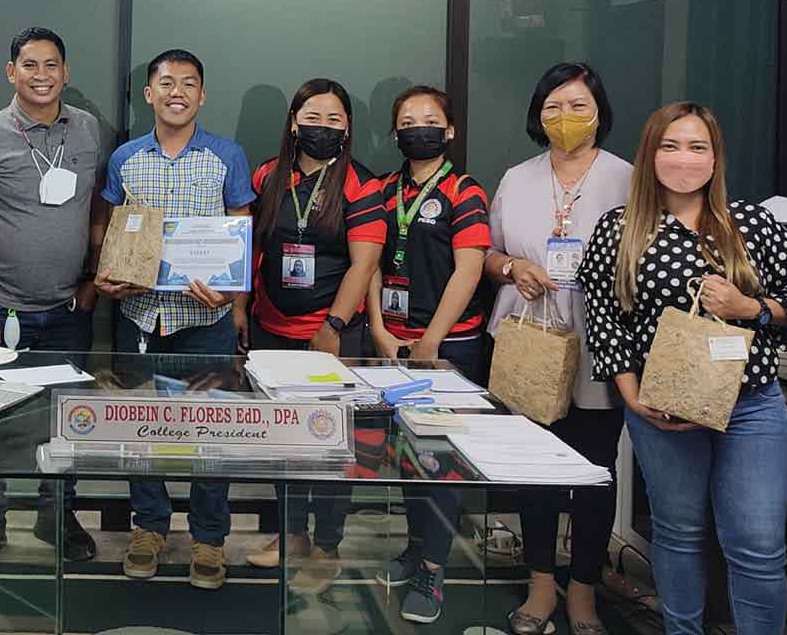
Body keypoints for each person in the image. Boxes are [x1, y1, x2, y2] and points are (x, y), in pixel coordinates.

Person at [578, 102, 787, 635]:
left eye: (698, 147)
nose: (684, 158)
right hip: (664, 410)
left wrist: (750, 308)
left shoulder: (752, 223)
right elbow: (604, 320)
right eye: (670, 146)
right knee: (678, 534)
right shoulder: (620, 229)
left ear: (715, 158)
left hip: (751, 405)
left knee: (758, 543)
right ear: (650, 155)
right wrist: (633, 399)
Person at [95, 49, 256, 592]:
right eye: (166, 82)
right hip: (140, 316)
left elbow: (241, 230)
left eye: (188, 83)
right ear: (149, 94)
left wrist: (232, 295)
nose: (177, 92)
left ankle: (209, 537)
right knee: (140, 428)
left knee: (212, 433)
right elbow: (113, 232)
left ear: (202, 96)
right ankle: (149, 528)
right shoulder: (125, 159)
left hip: (205, 319)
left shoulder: (226, 155)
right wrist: (108, 276)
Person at [483, 64, 631, 635]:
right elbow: (489, 255)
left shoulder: (628, 179)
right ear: (537, 115)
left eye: (577, 106)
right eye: (552, 107)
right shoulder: (516, 178)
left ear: (599, 112)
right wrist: (513, 268)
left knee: (595, 472)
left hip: (600, 347)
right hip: (529, 346)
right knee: (536, 471)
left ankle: (584, 590)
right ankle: (541, 584)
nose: (564, 117)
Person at [0, 27, 104, 563]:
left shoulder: (87, 129)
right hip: (1, 308)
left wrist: (92, 281)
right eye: (30, 65)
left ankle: (56, 517)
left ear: (66, 72)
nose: (42, 75)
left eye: (51, 64)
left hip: (68, 310)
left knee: (66, 424)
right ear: (11, 72)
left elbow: (98, 210)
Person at [243, 78, 386, 581]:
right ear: (293, 123)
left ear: (347, 128)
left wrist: (334, 326)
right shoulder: (268, 174)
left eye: (333, 119)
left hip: (331, 336)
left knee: (329, 445)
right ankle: (291, 534)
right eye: (311, 118)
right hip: (270, 330)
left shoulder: (361, 184)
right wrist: (241, 308)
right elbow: (252, 246)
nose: (321, 127)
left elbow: (364, 263)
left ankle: (327, 547)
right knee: (282, 443)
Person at [367, 84, 490, 625]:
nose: (419, 128)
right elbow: (370, 263)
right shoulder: (382, 188)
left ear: (450, 130)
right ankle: (416, 547)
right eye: (408, 121)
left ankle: (434, 570)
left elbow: (469, 269)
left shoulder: (465, 190)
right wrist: (378, 329)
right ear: (395, 133)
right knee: (406, 456)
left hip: (449, 345)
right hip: (392, 344)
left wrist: (432, 340)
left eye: (431, 120)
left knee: (442, 460)